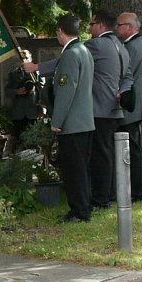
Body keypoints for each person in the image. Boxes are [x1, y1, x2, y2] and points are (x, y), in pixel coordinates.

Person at [24, 9, 132, 211]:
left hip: (95, 110)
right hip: (114, 109)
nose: (90, 29)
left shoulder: (91, 46)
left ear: (100, 25)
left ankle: (95, 200)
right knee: (105, 157)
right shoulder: (122, 47)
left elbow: (66, 67)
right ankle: (105, 196)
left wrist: (37, 67)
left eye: (92, 25)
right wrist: (122, 92)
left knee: (89, 160)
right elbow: (128, 75)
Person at [46, 15, 95, 222]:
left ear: (60, 30)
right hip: (85, 121)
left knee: (74, 170)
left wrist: (56, 121)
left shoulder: (70, 55)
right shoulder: (84, 51)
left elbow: (66, 90)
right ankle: (84, 207)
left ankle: (79, 211)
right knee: (82, 168)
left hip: (72, 124)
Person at [116, 12, 142, 202]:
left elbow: (122, 75)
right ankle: (137, 190)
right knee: (134, 150)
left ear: (129, 27)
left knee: (132, 152)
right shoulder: (140, 44)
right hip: (136, 106)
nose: (116, 28)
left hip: (130, 107)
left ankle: (137, 191)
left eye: (119, 25)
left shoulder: (131, 48)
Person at [4, 49, 42, 148]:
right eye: (22, 58)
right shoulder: (13, 74)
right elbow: (7, 91)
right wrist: (17, 91)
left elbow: (42, 92)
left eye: (26, 58)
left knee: (34, 140)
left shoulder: (37, 73)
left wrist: (42, 110)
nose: (24, 60)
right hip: (18, 112)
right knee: (19, 140)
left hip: (33, 112)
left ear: (31, 58)